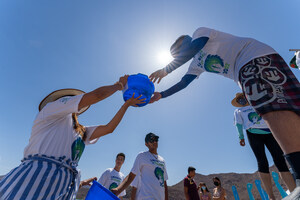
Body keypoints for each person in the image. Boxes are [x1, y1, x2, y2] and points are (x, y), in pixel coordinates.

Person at [149, 27, 300, 199]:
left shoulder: (200, 33)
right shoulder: (195, 63)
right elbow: (184, 83)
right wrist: (161, 95)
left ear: (185, 42)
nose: (179, 56)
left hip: (251, 57)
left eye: (178, 51)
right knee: (290, 106)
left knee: (272, 108)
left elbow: (195, 46)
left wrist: (167, 69)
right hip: (249, 67)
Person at [0, 75, 146, 200]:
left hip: (64, 185)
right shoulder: (50, 110)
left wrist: (126, 105)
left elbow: (109, 128)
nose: (73, 100)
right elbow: (97, 96)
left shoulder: (81, 131)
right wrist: (118, 85)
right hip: (36, 177)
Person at [232, 93, 296, 199]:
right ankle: (271, 197)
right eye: (239, 100)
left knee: (280, 160)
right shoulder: (238, 111)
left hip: (270, 132)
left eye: (243, 97)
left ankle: (294, 192)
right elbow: (238, 124)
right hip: (253, 134)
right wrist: (241, 137)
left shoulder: (257, 104)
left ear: (247, 97)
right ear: (238, 103)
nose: (242, 100)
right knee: (262, 161)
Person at [112, 132, 169, 200]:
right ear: (146, 144)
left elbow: (164, 183)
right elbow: (131, 175)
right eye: (151, 140)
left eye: (156, 139)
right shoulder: (142, 156)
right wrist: (118, 189)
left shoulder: (162, 160)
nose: (154, 142)